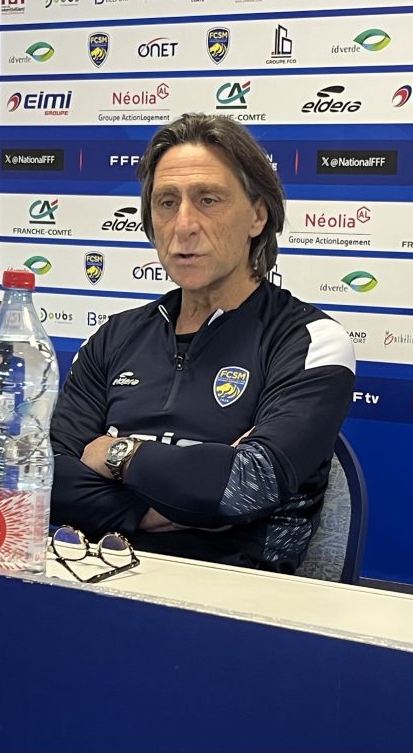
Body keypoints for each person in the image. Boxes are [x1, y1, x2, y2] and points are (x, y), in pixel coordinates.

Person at [49, 114, 355, 574]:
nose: (184, 224)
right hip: (95, 575)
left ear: (257, 216)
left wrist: (113, 453)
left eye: (208, 200)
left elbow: (245, 487)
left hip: (237, 595)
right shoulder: (113, 337)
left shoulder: (309, 341)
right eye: (166, 202)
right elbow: (44, 474)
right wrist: (150, 510)